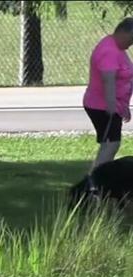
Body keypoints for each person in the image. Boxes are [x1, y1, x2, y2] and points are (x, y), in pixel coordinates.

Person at [83, 18, 133, 177]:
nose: (131, 44)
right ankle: (95, 184)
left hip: (111, 105)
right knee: (110, 145)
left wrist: (123, 106)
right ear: (124, 32)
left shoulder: (116, 46)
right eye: (132, 39)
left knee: (110, 144)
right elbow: (108, 79)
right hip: (102, 106)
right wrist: (112, 105)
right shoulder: (109, 50)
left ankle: (96, 181)